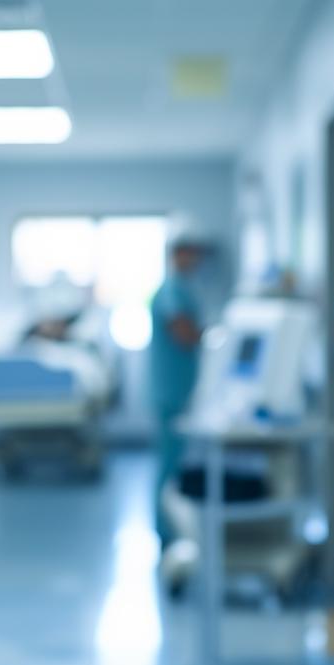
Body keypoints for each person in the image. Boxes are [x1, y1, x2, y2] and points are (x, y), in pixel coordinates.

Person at [148, 229, 206, 547]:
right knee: (169, 465)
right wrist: (210, 338)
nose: (195, 259)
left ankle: (168, 527)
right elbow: (183, 333)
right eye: (191, 252)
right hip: (170, 390)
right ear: (178, 254)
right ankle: (166, 532)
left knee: (172, 461)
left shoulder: (181, 288)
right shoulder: (171, 290)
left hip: (175, 389)